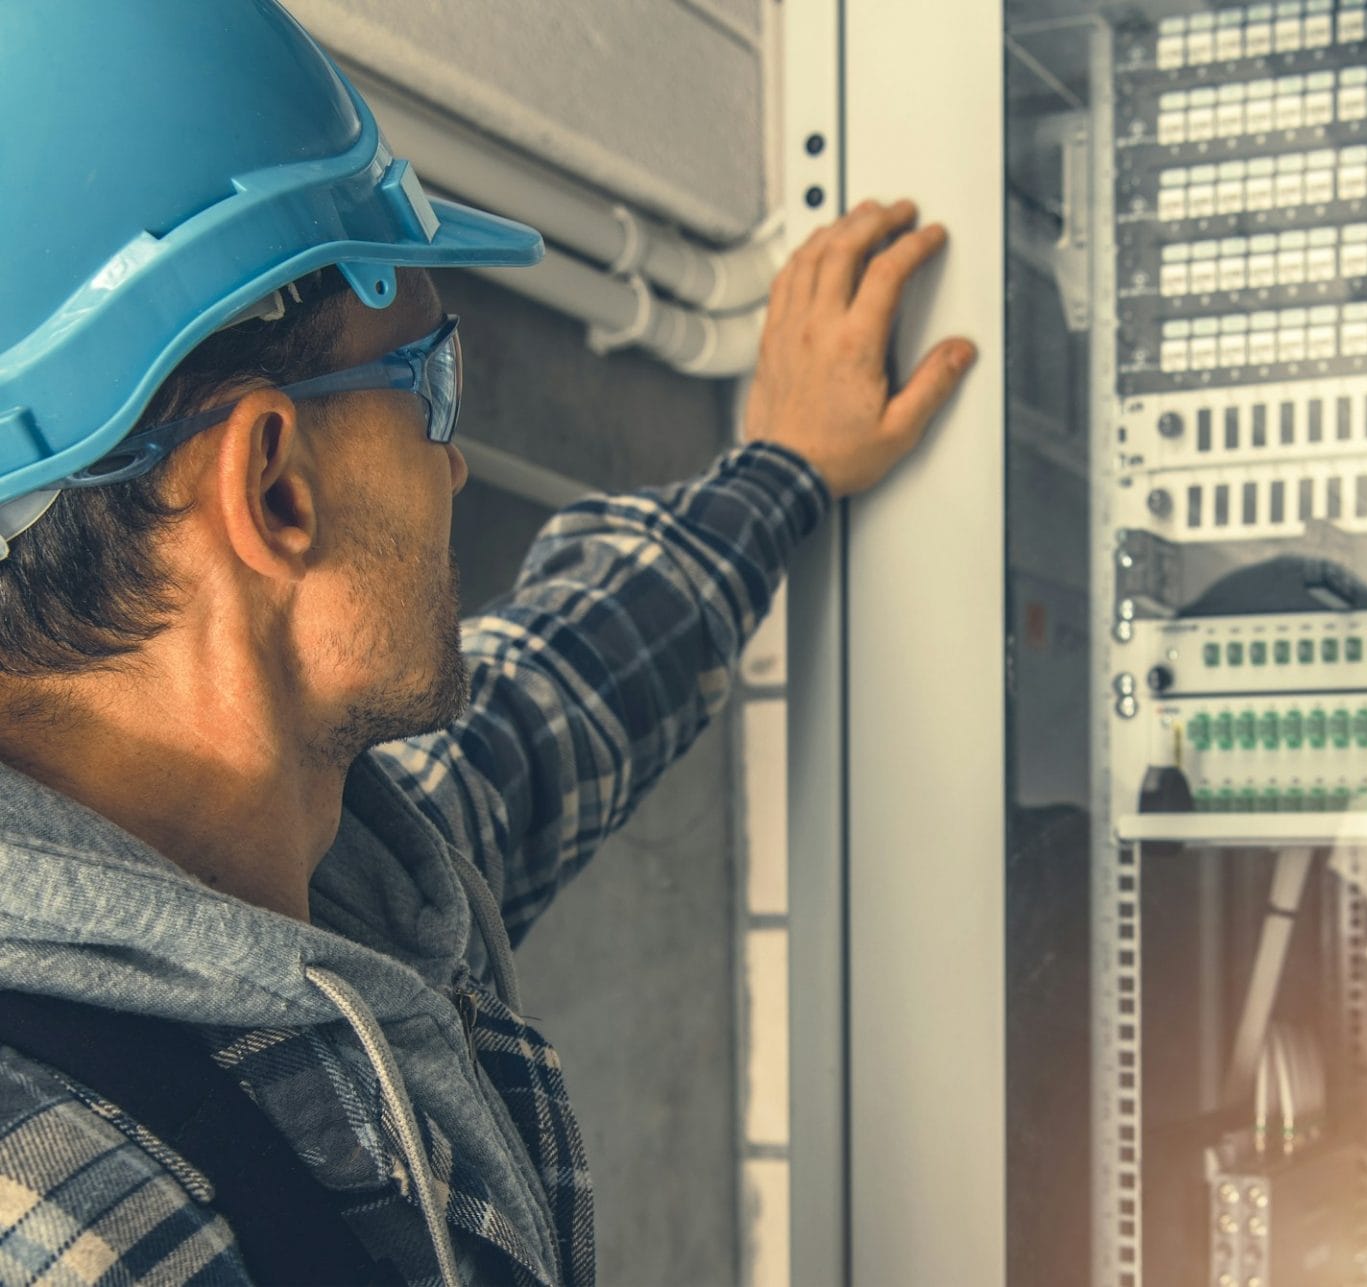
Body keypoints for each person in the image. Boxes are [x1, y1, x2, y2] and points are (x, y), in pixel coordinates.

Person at [0, 3, 974, 1283]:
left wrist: (783, 470)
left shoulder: (302, 864)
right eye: (431, 383)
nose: (455, 464)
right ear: (274, 486)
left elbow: (541, 717)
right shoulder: (86, 1223)